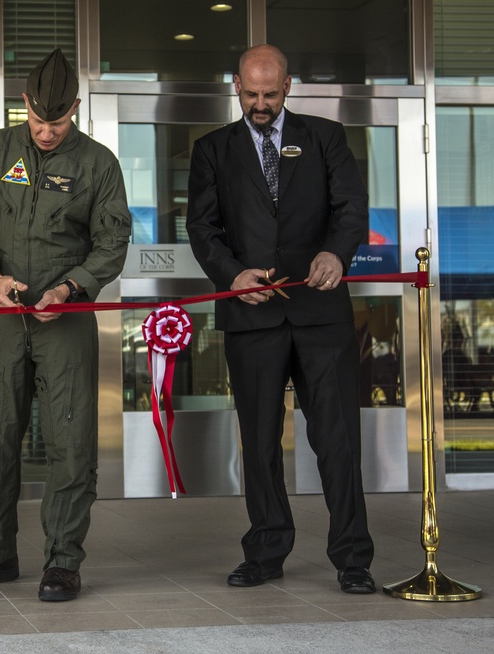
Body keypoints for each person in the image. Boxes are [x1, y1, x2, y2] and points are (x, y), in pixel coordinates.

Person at [186, 44, 375, 594]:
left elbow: (351, 208)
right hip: (252, 317)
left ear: (288, 86)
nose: (261, 104)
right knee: (261, 441)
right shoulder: (212, 150)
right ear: (236, 88)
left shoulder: (325, 137)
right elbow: (202, 228)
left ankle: (352, 558)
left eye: (270, 94)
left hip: (321, 316)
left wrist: (338, 253)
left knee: (337, 439)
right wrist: (232, 276)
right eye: (251, 94)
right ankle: (266, 551)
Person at [0, 49, 132, 602]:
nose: (46, 132)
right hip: (3, 315)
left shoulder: (99, 165)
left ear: (75, 108)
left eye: (57, 122)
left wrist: (70, 288)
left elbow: (111, 242)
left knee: (71, 440)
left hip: (65, 320)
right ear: (23, 103)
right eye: (37, 120)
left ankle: (63, 562)